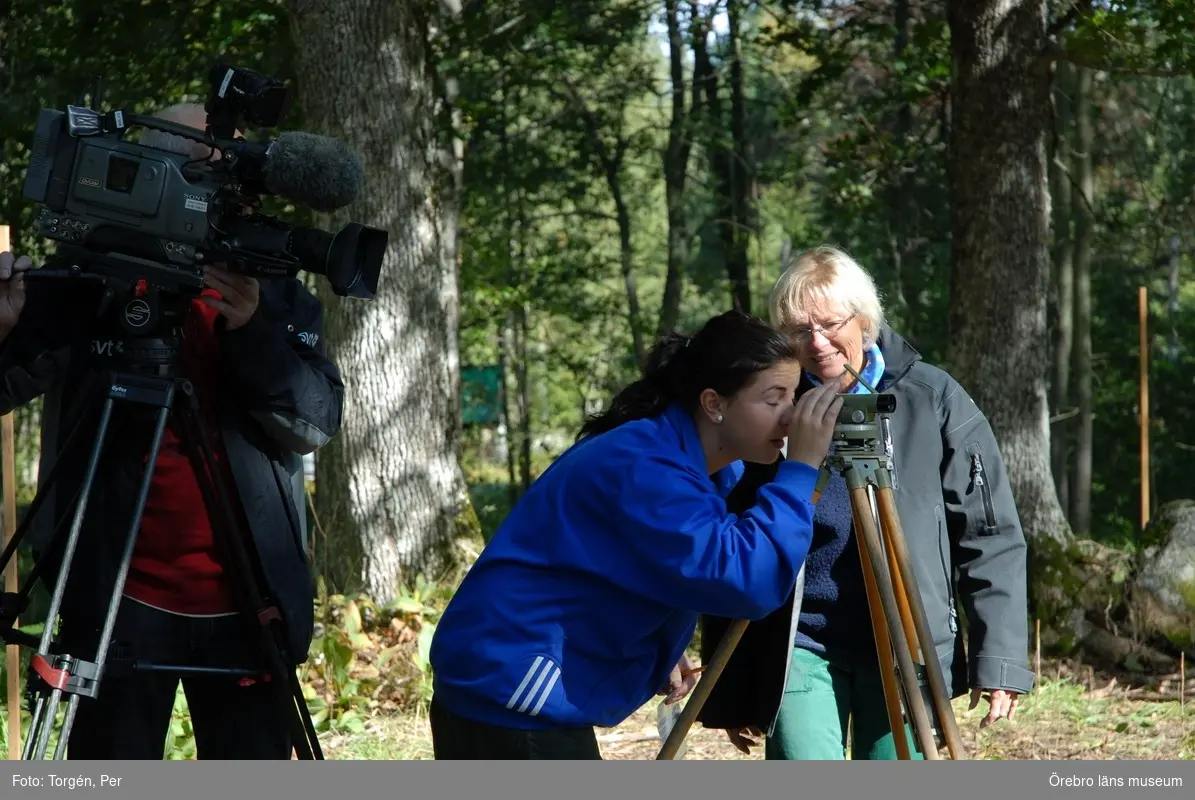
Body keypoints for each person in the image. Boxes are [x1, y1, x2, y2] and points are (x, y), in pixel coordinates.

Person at [0, 103, 343, 759]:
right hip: (115, 604)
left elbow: (313, 423)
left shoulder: (272, 291)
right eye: (196, 172)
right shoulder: (91, 278)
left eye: (233, 177)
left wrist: (254, 332)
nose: (220, 196)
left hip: (249, 606)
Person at [427, 310, 844, 760]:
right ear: (714, 403)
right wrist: (800, 471)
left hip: (512, 691)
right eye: (773, 398)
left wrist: (657, 641)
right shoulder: (647, 467)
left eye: (794, 396)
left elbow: (630, 565)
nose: (790, 418)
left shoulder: (681, 458)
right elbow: (748, 580)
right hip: (509, 693)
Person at [696, 245, 1033, 760]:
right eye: (798, 330)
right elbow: (731, 542)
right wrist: (734, 688)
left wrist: (1000, 658)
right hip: (796, 644)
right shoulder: (765, 407)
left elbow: (989, 534)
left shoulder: (930, 397)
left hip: (906, 644)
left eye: (830, 324)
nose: (817, 343)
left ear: (865, 320)